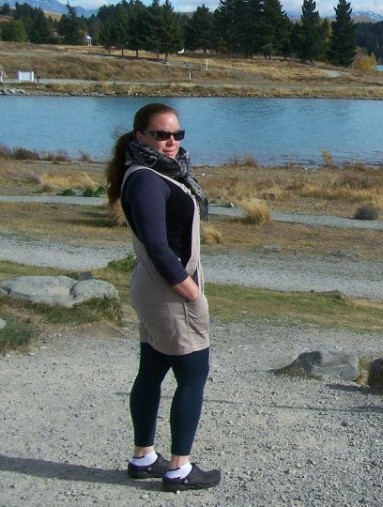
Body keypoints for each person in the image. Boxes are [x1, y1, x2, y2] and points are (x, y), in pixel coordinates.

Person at [105, 103, 220, 492]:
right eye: (161, 134)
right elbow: (156, 243)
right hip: (168, 290)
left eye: (177, 134)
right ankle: (179, 469)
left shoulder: (152, 172)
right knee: (193, 375)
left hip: (155, 287)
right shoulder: (147, 180)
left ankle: (143, 458)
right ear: (141, 137)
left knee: (152, 372)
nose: (171, 141)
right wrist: (189, 291)